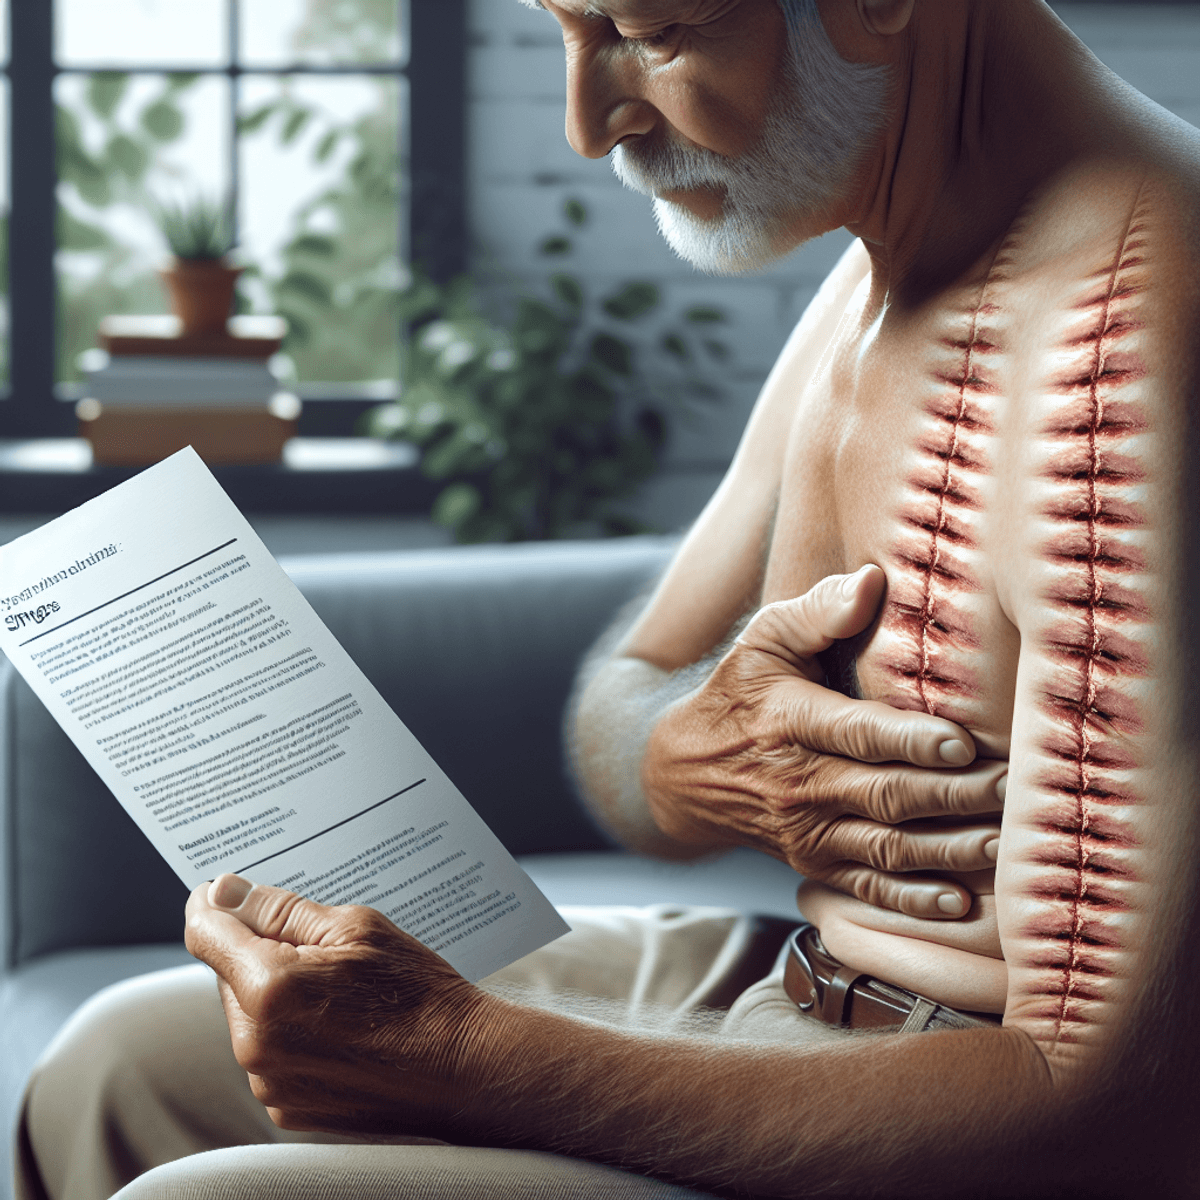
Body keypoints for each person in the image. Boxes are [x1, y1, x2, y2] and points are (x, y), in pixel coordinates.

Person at [18, 0, 1200, 1196]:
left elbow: (1108, 1111)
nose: (589, 125)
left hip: (951, 1111)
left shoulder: (1131, 340)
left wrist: (461, 1056)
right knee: (112, 1066)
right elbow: (619, 700)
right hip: (787, 974)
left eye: (656, 32)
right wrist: (691, 752)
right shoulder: (873, 278)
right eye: (567, 32)